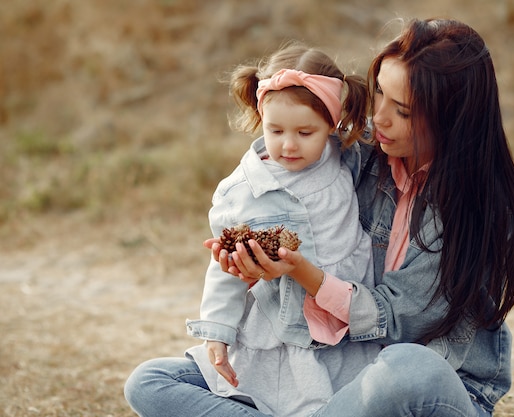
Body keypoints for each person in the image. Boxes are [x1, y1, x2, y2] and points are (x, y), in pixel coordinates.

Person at [209, 18, 514, 417]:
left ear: (454, 118)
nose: (380, 118)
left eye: (405, 111)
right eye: (379, 92)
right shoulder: (361, 158)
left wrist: (304, 273)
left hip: (430, 385)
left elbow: (400, 322)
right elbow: (287, 172)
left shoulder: (477, 207)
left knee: (410, 367)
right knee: (153, 381)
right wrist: (251, 262)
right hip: (347, 373)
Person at [124, 42, 380, 417]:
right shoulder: (241, 191)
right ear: (261, 117)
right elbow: (224, 269)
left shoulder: (346, 155)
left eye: (305, 133)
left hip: (345, 334)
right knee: (146, 382)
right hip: (278, 336)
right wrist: (218, 331)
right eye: (275, 130)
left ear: (332, 123)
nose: (288, 145)